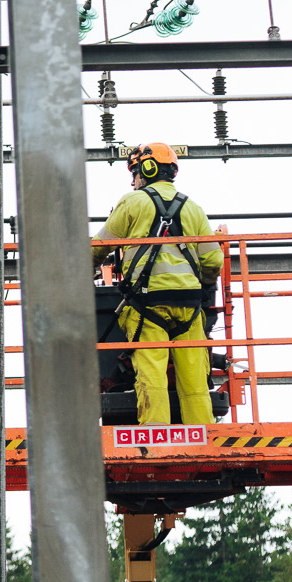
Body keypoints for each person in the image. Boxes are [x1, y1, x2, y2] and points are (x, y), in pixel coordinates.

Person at [92, 141, 223, 426]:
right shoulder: (193, 208)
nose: (133, 179)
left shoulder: (132, 201)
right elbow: (214, 261)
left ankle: (157, 440)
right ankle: (204, 442)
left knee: (151, 374)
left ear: (146, 170)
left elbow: (98, 248)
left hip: (147, 304)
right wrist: (202, 286)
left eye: (135, 171)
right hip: (189, 305)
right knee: (195, 380)